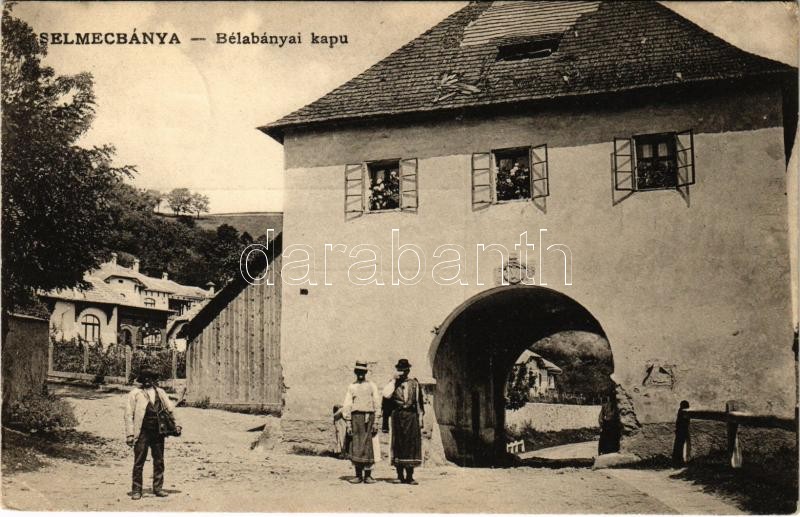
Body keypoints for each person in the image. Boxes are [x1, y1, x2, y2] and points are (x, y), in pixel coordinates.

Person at [124, 368, 182, 500]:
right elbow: (128, 414)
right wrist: (130, 434)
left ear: (153, 379)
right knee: (139, 461)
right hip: (142, 432)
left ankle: (158, 488)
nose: (147, 381)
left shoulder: (160, 392)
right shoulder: (135, 393)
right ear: (141, 380)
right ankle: (136, 490)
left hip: (158, 431)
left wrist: (177, 424)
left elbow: (170, 409)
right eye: (144, 378)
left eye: (150, 378)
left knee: (159, 460)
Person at [382, 358, 424, 485]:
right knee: (398, 444)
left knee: (411, 445)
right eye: (400, 370)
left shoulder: (414, 384)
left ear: (408, 371)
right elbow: (386, 395)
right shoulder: (393, 383)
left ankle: (410, 476)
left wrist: (420, 418)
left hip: (411, 417)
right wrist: (394, 380)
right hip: (398, 417)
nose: (403, 373)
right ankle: (399, 475)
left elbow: (419, 402)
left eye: (405, 370)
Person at [341, 360, 381, 484]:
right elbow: (347, 405)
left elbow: (377, 403)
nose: (360, 374)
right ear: (355, 372)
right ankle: (358, 475)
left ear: (366, 372)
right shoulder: (352, 386)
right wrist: (348, 423)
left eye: (362, 372)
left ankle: (368, 475)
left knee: (369, 445)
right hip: (356, 418)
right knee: (357, 445)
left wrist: (376, 422)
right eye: (358, 371)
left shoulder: (372, 385)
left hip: (369, 418)